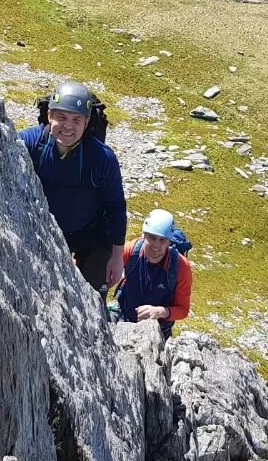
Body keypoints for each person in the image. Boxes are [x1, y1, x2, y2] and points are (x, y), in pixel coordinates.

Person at [20, 81, 126, 292]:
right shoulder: (31, 143)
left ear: (86, 123)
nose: (68, 126)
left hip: (92, 234)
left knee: (94, 293)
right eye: (62, 117)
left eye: (76, 120)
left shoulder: (102, 158)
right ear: (49, 115)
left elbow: (116, 207)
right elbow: (0, 145)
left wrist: (117, 257)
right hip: (44, 230)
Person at [112, 208, 193, 338]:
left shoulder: (180, 267)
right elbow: (103, 266)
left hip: (158, 330)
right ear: (143, 235)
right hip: (125, 319)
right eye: (152, 237)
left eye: (162, 240)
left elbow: (183, 309)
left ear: (169, 241)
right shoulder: (131, 251)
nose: (156, 245)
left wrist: (160, 311)